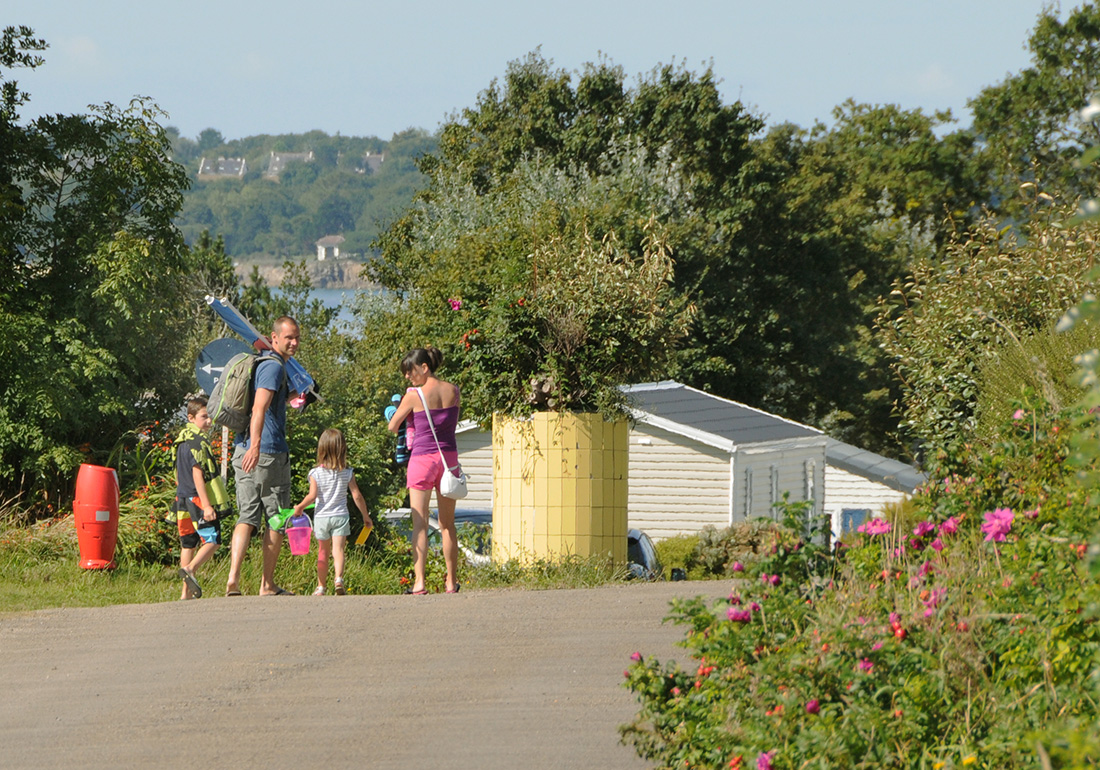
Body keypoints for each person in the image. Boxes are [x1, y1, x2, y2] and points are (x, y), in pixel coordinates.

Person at [225, 316, 300, 597]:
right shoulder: (273, 367)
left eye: (297, 338)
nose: (293, 343)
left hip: (242, 450)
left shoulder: (261, 364)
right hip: (266, 454)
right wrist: (257, 446)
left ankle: (233, 579)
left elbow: (270, 403)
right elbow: (259, 409)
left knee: (246, 516)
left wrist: (295, 393)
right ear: (274, 337)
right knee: (277, 517)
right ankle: (267, 584)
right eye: (288, 337)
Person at [387, 346, 462, 594]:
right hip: (449, 460)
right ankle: (451, 581)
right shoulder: (454, 391)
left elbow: (392, 425)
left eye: (410, 371)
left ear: (424, 367)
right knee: (448, 524)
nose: (408, 377)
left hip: (422, 459)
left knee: (419, 523)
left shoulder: (414, 395)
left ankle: (420, 582)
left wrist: (394, 411)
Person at [292, 428, 372, 596]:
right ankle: (338, 579)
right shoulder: (347, 472)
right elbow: (357, 495)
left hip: (322, 517)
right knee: (339, 550)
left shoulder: (316, 473)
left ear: (321, 449)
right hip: (341, 515)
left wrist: (299, 507)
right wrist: (365, 515)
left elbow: (312, 496)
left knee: (323, 552)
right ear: (342, 449)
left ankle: (321, 587)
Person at [173, 396, 227, 600]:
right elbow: (198, 474)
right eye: (204, 417)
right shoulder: (197, 442)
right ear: (191, 417)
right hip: (197, 499)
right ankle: (191, 569)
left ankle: (184, 594)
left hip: (182, 498)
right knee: (214, 539)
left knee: (188, 543)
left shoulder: (181, 440)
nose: (209, 421)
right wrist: (207, 506)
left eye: (210, 416)